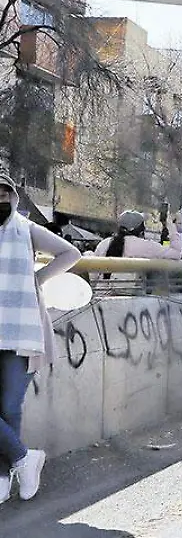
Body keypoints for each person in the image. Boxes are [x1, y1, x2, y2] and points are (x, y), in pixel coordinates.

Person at [0, 172, 81, 503]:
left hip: (19, 329)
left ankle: (3, 477)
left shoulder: (26, 229)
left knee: (9, 407)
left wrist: (38, 279)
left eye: (6, 193)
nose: (1, 199)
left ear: (14, 197)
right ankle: (23, 458)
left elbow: (70, 253)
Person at [94, 210, 182, 259]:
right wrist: (172, 229)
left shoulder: (103, 243)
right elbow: (177, 254)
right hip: (131, 294)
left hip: (101, 293)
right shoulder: (147, 246)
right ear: (140, 228)